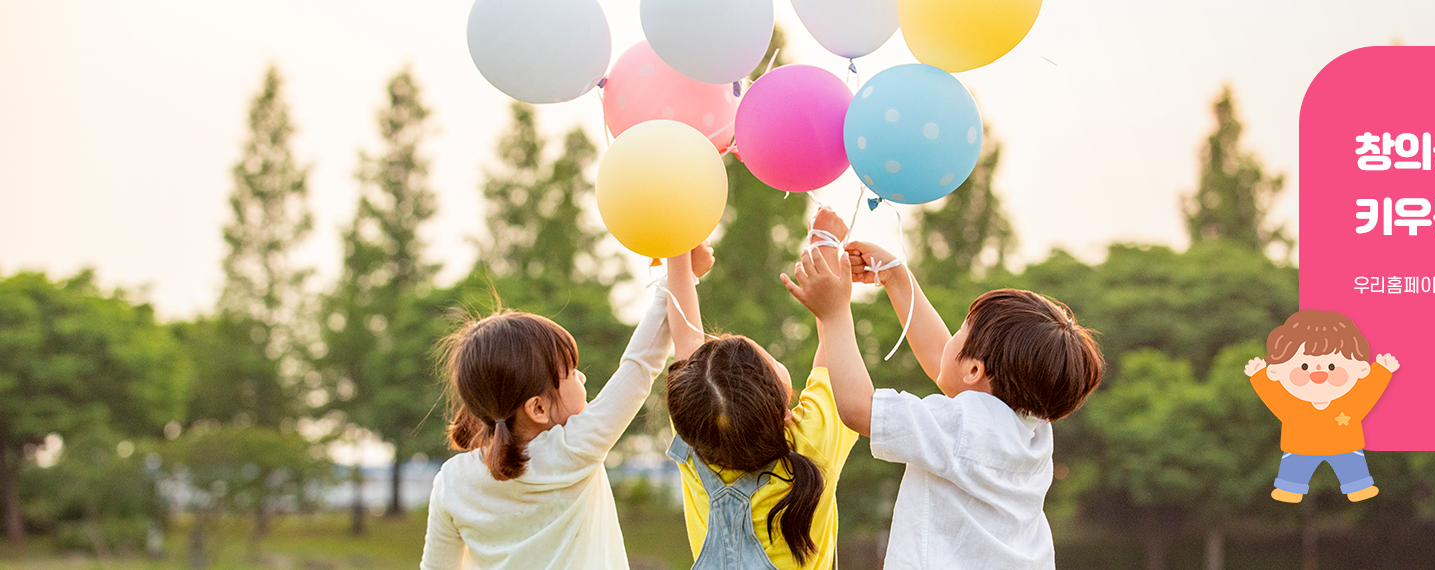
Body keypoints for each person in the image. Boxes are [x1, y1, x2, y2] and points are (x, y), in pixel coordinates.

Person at [785, 238, 1103, 569]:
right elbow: (947, 365)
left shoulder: (963, 427)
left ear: (975, 369)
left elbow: (858, 408)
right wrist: (896, 278)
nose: (950, 338)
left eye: (961, 331)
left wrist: (834, 312)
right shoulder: (1032, 430)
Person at [419, 247, 710, 570]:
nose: (582, 376)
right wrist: (682, 272)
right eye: (571, 372)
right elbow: (640, 365)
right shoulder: (574, 449)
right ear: (538, 408)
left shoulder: (452, 481)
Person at [658, 210, 860, 570]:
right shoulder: (811, 443)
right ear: (784, 408)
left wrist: (682, 255)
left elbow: (685, 335)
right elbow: (835, 341)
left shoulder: (696, 431)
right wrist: (824, 244)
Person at [1243, 310, 1400, 503]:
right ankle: (1290, 487)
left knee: (1350, 465)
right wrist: (1259, 376)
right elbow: (1273, 396)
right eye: (1304, 367)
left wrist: (1381, 372)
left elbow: (1368, 392)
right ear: (1277, 371)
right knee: (1295, 468)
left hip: (1342, 445)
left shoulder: (1350, 402)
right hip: (1302, 446)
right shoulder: (1292, 405)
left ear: (1360, 369)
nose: (1319, 374)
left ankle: (1357, 485)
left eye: (1332, 366)